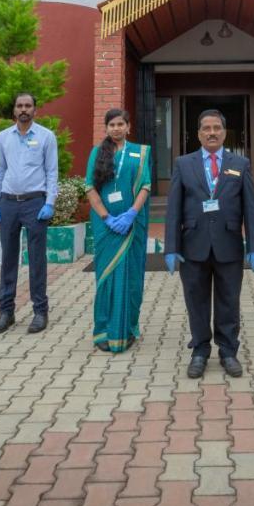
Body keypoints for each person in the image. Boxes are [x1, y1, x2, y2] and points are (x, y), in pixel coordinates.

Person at [164, 108, 254, 379]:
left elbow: (250, 208)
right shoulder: (183, 163)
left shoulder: (240, 164)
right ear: (198, 134)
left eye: (216, 128)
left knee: (228, 301)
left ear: (224, 131)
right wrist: (171, 247)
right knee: (196, 300)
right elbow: (173, 208)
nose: (211, 133)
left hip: (229, 244)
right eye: (206, 128)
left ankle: (228, 351)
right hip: (193, 245)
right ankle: (199, 350)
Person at [0, 92, 59, 334]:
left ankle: (40, 311)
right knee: (8, 259)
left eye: (28, 105)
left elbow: (52, 172)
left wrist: (49, 202)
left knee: (37, 260)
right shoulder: (3, 137)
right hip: (8, 203)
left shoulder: (46, 136)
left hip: (35, 203)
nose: (24, 109)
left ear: (35, 110)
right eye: (19, 105)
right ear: (14, 111)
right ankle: (6, 312)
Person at [84, 108, 151, 353]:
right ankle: (103, 329)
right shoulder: (97, 153)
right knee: (105, 278)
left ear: (128, 126)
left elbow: (145, 185)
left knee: (131, 278)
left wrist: (132, 213)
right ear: (107, 127)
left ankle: (127, 328)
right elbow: (90, 187)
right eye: (111, 124)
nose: (116, 128)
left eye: (120, 124)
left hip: (132, 224)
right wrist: (106, 217)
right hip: (106, 225)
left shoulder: (141, 152)